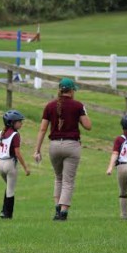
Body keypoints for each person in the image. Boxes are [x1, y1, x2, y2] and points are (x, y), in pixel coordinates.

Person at [34, 78, 92, 221]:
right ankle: (63, 212)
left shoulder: (50, 106)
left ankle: (57, 209)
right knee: (68, 180)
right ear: (71, 91)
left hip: (54, 145)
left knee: (58, 178)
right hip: (71, 145)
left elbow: (42, 130)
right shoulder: (78, 106)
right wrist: (83, 112)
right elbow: (88, 126)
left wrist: (37, 150)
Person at [0, 110, 31, 219]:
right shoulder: (15, 135)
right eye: (19, 122)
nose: (21, 123)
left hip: (0, 164)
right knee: (11, 190)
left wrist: (0, 160)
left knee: (9, 187)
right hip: (10, 164)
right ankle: (7, 214)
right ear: (11, 123)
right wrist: (25, 168)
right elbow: (17, 153)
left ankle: (3, 211)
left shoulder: (1, 133)